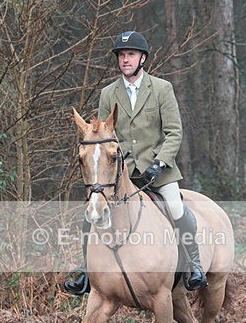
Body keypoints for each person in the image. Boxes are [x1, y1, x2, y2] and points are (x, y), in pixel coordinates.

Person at [64, 30, 207, 295]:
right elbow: (103, 134)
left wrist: (161, 162)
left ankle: (194, 266)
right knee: (93, 213)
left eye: (130, 55)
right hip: (120, 173)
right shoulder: (109, 93)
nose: (125, 60)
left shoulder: (162, 89)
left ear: (142, 58)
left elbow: (175, 132)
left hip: (159, 173)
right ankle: (85, 270)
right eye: (121, 55)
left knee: (177, 210)